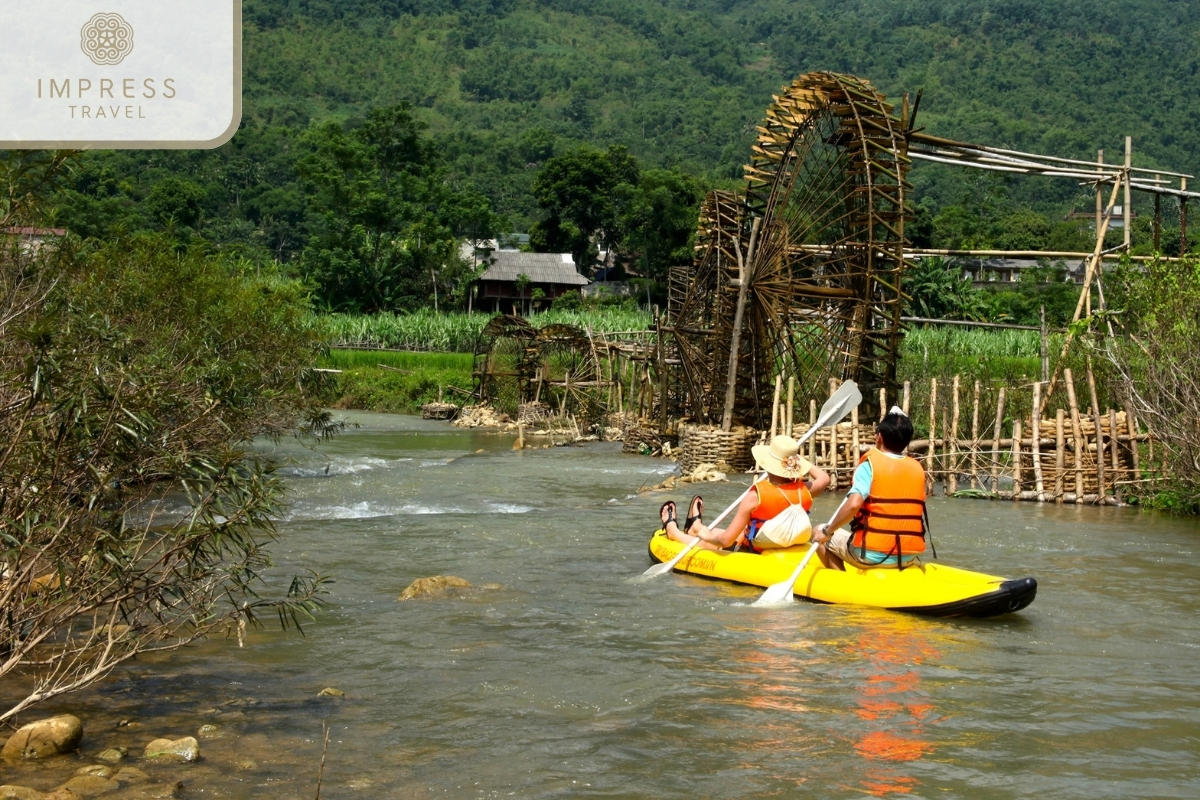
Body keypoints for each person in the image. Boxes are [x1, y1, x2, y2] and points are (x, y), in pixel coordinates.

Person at [659, 435, 830, 552]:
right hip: (781, 540)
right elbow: (824, 478)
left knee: (711, 541)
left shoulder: (755, 496)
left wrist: (708, 537)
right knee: (736, 532)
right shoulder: (805, 490)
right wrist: (796, 460)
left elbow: (725, 541)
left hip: (754, 550)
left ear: (767, 464)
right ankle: (695, 527)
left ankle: (675, 532)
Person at [812, 407, 929, 570]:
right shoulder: (918, 469)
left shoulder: (870, 465)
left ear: (879, 437)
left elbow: (853, 504)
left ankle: (841, 583)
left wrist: (827, 532)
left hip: (871, 556)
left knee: (818, 531)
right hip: (908, 556)